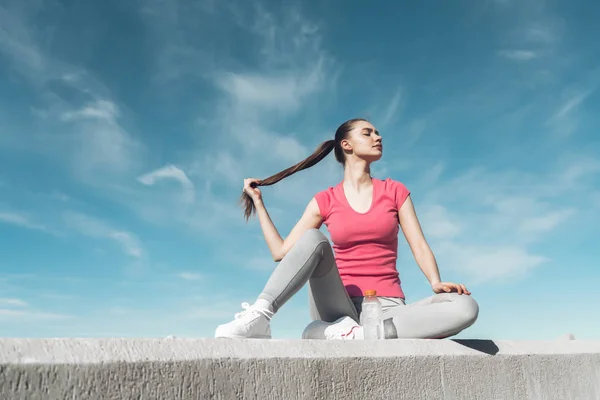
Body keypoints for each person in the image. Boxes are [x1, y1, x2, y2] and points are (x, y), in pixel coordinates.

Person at [214, 118, 479, 340]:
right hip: (336, 306)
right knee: (314, 238)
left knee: (465, 306)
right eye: (368, 132)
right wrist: (258, 203)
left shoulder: (395, 191)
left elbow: (418, 244)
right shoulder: (325, 199)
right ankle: (261, 317)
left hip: (387, 309)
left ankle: (354, 335)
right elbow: (281, 252)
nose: (378, 136)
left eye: (377, 132)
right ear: (346, 144)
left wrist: (435, 281)